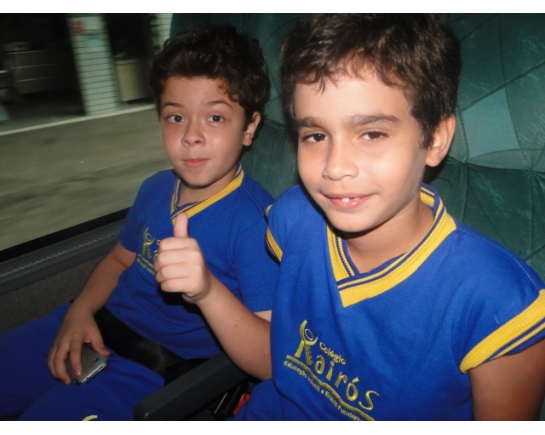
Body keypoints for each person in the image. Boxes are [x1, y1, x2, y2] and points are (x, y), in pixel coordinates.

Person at [230, 14, 545, 420]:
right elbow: (280, 355)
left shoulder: (498, 304)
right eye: (316, 135)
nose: (335, 167)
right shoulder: (293, 217)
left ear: (435, 138)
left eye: (372, 134)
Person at [0, 23, 277, 421]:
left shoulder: (257, 226)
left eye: (215, 118)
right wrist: (80, 311)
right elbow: (119, 260)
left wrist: (206, 291)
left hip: (150, 367)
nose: (191, 136)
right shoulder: (156, 187)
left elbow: (269, 362)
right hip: (95, 322)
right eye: (176, 117)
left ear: (249, 128)